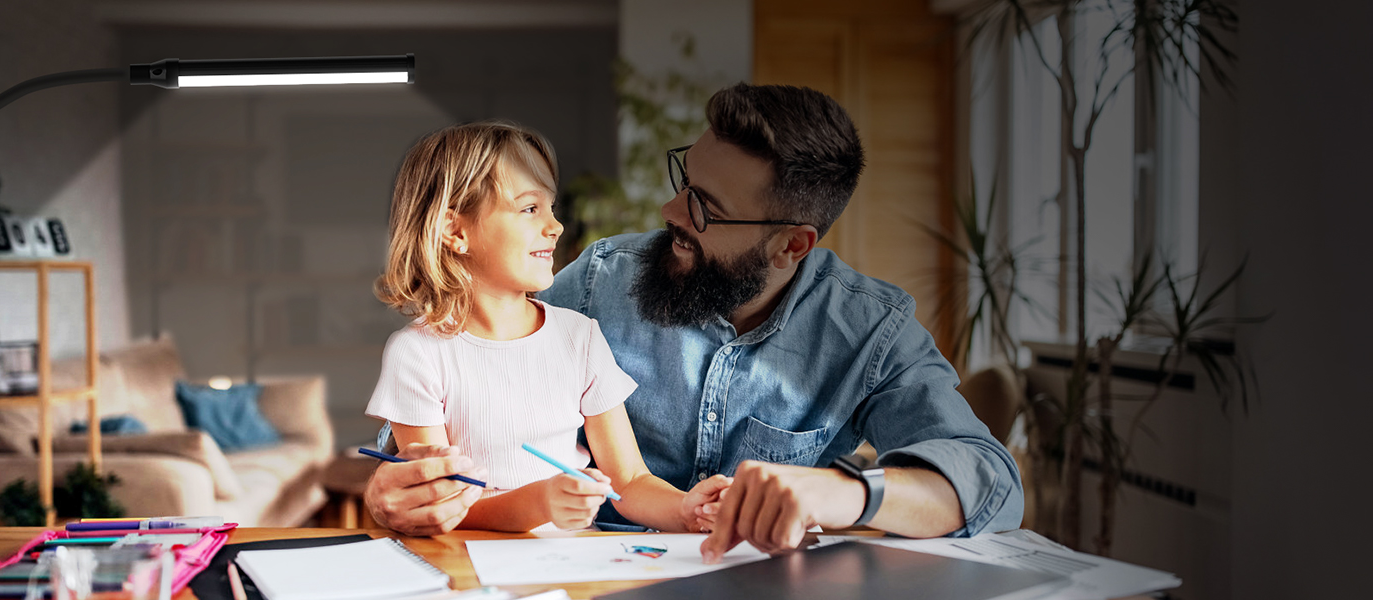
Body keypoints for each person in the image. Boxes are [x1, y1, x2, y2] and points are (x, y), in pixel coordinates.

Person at [367, 85, 1023, 556]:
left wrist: (837, 495)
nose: (669, 210)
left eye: (704, 208)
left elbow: (986, 479)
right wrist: (396, 496)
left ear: (791, 245)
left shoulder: (871, 332)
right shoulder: (600, 281)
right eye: (685, 180)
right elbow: (462, 414)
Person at [363, 121, 729, 533]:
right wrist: (540, 502)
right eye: (529, 208)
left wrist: (689, 510)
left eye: (551, 208)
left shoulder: (579, 337)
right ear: (455, 231)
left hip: (572, 570)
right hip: (472, 568)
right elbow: (442, 504)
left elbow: (629, 481)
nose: (555, 226)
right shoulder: (417, 354)